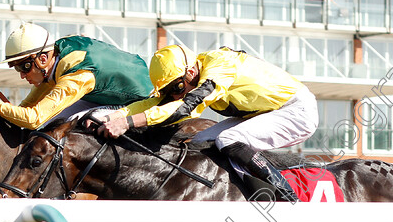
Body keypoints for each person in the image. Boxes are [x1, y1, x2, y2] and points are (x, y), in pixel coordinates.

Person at [97, 44, 319, 202]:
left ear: (191, 72)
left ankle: (286, 198)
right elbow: (154, 103)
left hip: (296, 110)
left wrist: (128, 123)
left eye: (176, 89)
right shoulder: (188, 74)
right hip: (264, 112)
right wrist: (110, 117)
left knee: (228, 138)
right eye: (169, 91)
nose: (175, 96)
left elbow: (184, 108)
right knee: (198, 142)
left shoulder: (218, 68)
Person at [0, 23, 153, 130]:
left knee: (76, 123)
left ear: (43, 58)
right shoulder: (55, 54)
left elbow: (33, 119)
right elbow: (27, 107)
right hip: (104, 89)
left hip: (137, 102)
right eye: (16, 68)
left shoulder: (77, 77)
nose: (21, 76)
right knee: (49, 121)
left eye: (24, 67)